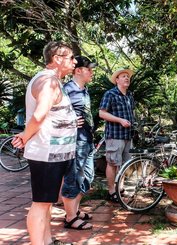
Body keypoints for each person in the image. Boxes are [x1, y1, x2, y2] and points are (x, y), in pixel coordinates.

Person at [12, 41, 77, 245]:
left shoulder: (53, 81)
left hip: (56, 154)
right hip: (46, 154)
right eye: (71, 58)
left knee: (47, 203)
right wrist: (24, 136)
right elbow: (39, 116)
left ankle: (47, 241)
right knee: (40, 204)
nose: (75, 62)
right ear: (57, 59)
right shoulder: (47, 82)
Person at [61, 56, 98, 230]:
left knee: (88, 177)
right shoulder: (67, 89)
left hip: (87, 140)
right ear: (78, 71)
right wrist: (70, 122)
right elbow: (54, 112)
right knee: (73, 178)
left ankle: (74, 211)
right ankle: (70, 218)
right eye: (89, 69)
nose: (91, 72)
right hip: (75, 141)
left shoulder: (84, 90)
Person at [99, 68, 135, 202]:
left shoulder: (129, 95)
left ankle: (120, 188)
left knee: (125, 164)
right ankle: (111, 191)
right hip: (115, 135)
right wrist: (120, 120)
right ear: (117, 80)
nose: (127, 78)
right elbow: (102, 113)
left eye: (128, 77)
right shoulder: (110, 94)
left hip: (128, 135)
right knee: (113, 163)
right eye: (123, 76)